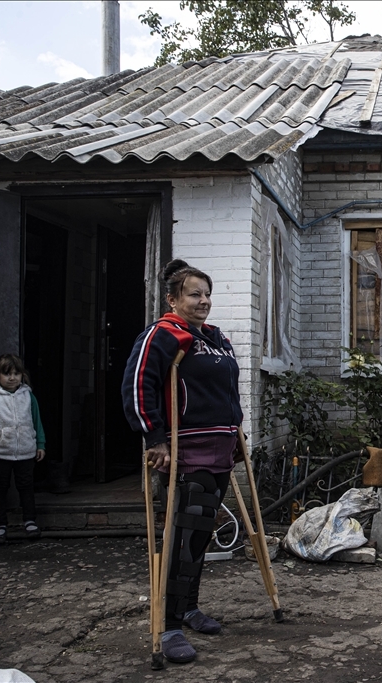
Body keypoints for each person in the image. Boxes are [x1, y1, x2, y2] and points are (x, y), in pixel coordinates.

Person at [122, 259, 243, 664]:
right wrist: (154, 438)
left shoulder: (215, 337)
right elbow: (138, 385)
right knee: (184, 538)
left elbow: (229, 391)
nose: (204, 301)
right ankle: (170, 625)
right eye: (195, 294)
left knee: (200, 536)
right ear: (173, 299)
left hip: (221, 449)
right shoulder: (162, 334)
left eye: (207, 294)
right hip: (188, 452)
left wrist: (238, 430)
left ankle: (189, 607)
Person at [0, 354, 46, 545]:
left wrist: (40, 444)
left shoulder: (28, 396)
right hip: (0, 452)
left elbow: (36, 421)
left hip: (26, 451)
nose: (12, 378)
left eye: (16, 373)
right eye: (7, 374)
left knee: (26, 487)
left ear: (22, 375)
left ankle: (30, 522)